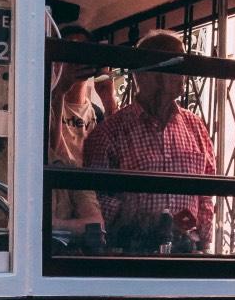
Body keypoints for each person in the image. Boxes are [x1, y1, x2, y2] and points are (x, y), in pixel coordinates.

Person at [83, 29, 216, 253]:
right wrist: (144, 221)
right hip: (132, 253)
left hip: (185, 252)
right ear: (144, 74)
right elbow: (95, 200)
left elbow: (206, 190)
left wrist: (201, 241)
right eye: (176, 66)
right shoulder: (109, 132)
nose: (183, 75)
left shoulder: (195, 127)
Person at [47, 23, 107, 241]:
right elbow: (52, 152)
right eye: (69, 52)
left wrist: (107, 93)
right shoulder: (47, 104)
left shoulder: (97, 113)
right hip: (59, 193)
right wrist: (60, 89)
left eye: (82, 52)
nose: (76, 60)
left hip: (88, 197)